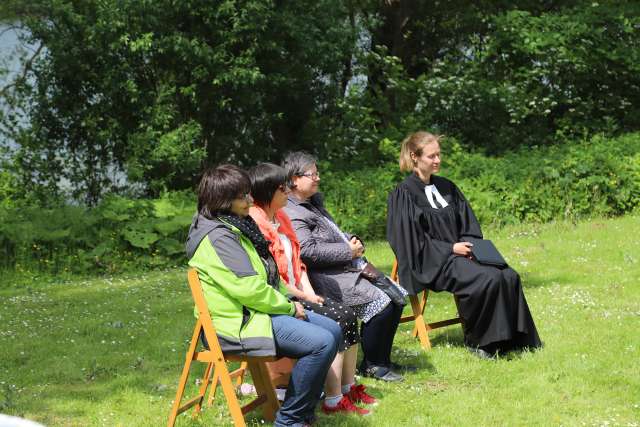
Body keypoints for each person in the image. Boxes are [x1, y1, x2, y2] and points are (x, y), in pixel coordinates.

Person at [185, 164, 341, 426]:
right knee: (322, 342)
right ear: (223, 200)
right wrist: (290, 308)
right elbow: (250, 289)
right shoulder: (218, 237)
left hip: (255, 313)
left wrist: (291, 299)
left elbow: (267, 275)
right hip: (235, 325)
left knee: (333, 330)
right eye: (243, 196)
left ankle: (301, 413)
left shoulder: (236, 226)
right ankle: (290, 421)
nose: (249, 200)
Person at [386, 131, 542, 358]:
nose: (438, 160)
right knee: (486, 279)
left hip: (462, 254)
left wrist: (472, 248)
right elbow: (408, 240)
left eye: (439, 155)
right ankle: (481, 343)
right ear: (415, 156)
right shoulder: (404, 194)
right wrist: (450, 249)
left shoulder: (448, 187)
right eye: (432, 156)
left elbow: (469, 224)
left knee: (508, 275)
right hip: (432, 261)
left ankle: (515, 339)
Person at [248, 163, 375, 415]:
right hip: (283, 296)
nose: (288, 191)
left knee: (348, 314)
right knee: (336, 320)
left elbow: (298, 263)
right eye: (283, 187)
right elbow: (272, 277)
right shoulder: (256, 223)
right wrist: (302, 295)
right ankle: (332, 398)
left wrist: (308, 291)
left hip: (299, 290)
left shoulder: (282, 217)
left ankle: (348, 387)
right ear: (268, 191)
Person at [282, 152, 407, 382]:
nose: (318, 178)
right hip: (326, 277)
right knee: (383, 304)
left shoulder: (311, 204)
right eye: (312, 174)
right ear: (294, 179)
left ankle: (382, 359)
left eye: (318, 173)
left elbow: (332, 235)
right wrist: (347, 251)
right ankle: (372, 365)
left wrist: (353, 240)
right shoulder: (292, 211)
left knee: (397, 297)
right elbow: (308, 252)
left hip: (345, 266)